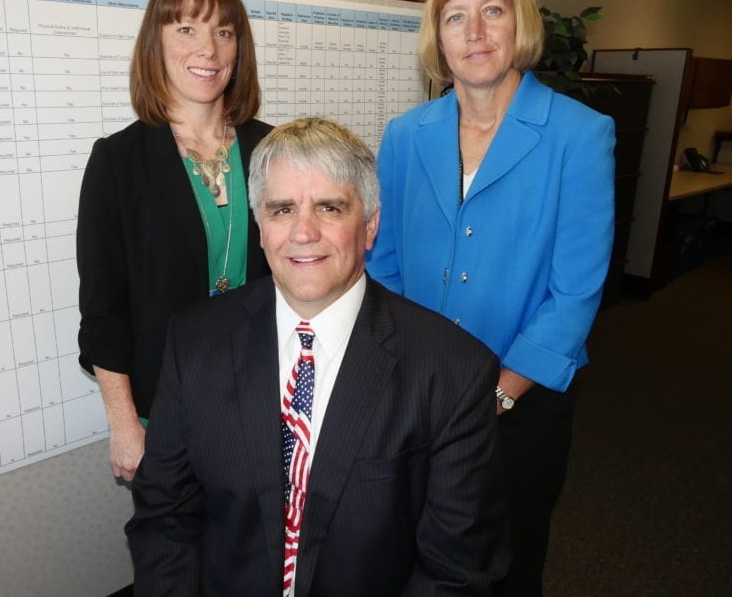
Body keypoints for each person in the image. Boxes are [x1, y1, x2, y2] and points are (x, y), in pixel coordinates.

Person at [126, 117, 509, 596]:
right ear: (261, 227)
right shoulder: (195, 343)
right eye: (282, 210)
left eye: (330, 207)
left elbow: (457, 571)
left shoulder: (453, 370)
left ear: (369, 226)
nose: (303, 232)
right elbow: (165, 518)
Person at [366, 0, 615, 596]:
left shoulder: (579, 136)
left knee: (507, 558)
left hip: (520, 403)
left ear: (520, 23)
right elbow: (383, 262)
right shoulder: (405, 134)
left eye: (492, 10)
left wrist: (500, 392)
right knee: (416, 545)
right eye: (455, 16)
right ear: (438, 37)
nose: (474, 33)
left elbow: (576, 292)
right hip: (420, 394)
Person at [76, 0, 271, 482]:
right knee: (174, 559)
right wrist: (123, 425)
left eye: (223, 31)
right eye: (186, 28)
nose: (208, 49)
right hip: (164, 415)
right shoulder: (118, 163)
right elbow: (103, 310)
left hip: (263, 407)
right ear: (155, 43)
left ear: (238, 49)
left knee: (262, 556)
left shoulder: (274, 151)